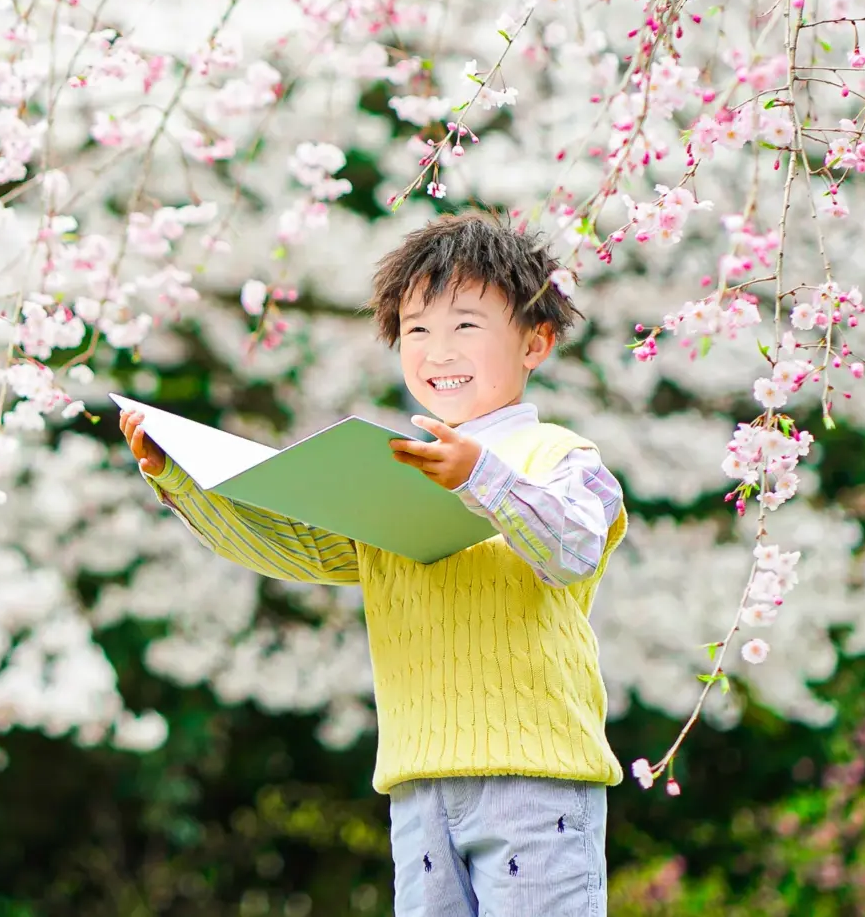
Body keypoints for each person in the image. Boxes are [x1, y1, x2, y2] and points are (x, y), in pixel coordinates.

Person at [121, 213, 623, 915]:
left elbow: (573, 548)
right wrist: (180, 477)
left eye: (466, 325)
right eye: (417, 330)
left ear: (535, 341)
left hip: (535, 779)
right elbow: (297, 549)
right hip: (417, 785)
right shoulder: (393, 477)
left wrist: (480, 477)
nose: (439, 350)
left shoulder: (560, 456)